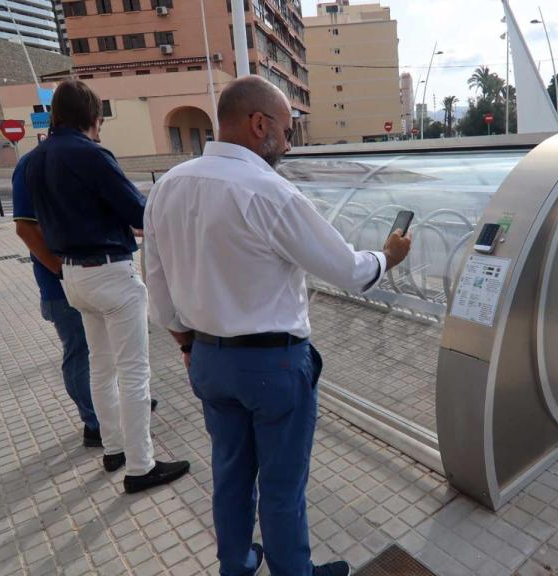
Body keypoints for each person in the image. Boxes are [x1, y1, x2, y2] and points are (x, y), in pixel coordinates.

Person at [143, 75, 411, 576]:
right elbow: (350, 271)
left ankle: (237, 564)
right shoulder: (270, 192)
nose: (288, 145)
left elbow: (155, 284)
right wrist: (388, 256)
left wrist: (187, 345)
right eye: (287, 132)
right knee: (283, 485)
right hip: (272, 365)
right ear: (259, 123)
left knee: (230, 474)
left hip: (207, 360)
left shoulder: (168, 188)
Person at [25, 79, 189, 494]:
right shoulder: (92, 154)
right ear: (94, 117)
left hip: (72, 277)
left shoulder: (35, 159)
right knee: (134, 373)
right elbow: (138, 211)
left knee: (101, 367)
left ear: (56, 115)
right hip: (110, 273)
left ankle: (114, 448)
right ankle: (140, 466)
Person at [13, 148, 101, 449]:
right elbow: (25, 227)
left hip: (94, 279)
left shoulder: (83, 156)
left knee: (105, 348)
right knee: (79, 351)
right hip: (62, 286)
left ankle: (113, 403)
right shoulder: (33, 164)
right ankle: (94, 423)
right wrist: (61, 271)